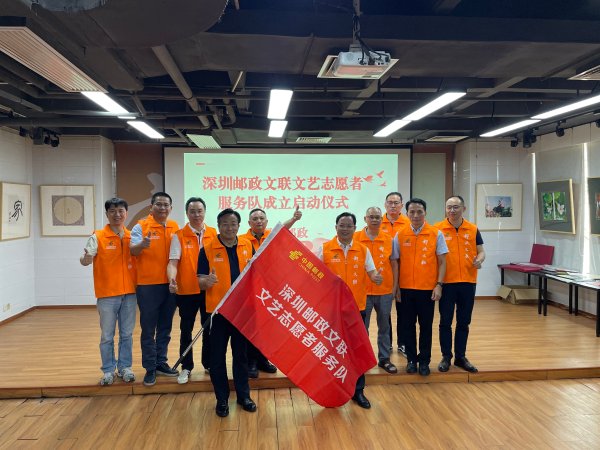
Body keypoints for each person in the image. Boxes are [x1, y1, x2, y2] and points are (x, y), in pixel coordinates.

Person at [317, 212, 384, 409]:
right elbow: (314, 273)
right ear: (335, 227)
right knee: (332, 350)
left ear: (355, 228)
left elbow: (372, 272)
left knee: (356, 350)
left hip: (357, 308)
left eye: (349, 226)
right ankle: (333, 388)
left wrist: (376, 277)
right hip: (332, 309)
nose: (345, 229)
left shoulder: (363, 250)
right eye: (342, 225)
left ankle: (358, 391)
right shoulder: (325, 249)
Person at [198, 208, 256, 418]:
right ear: (218, 226)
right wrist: (207, 281)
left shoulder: (247, 245)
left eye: (233, 224)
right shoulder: (207, 249)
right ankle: (221, 399)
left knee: (241, 356)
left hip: (241, 311)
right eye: (225, 224)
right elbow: (200, 282)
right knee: (217, 358)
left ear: (239, 226)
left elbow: (255, 274)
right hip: (217, 313)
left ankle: (244, 396)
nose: (229, 228)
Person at [80, 198, 137, 385]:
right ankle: (108, 370)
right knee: (107, 336)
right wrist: (86, 259)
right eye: (112, 211)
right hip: (107, 295)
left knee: (127, 334)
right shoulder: (97, 236)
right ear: (107, 214)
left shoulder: (132, 236)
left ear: (126, 213)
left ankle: (125, 367)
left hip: (129, 294)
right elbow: (85, 258)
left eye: (121, 211)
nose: (117, 215)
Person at [242, 206, 302, 378]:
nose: (258, 221)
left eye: (262, 218)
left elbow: (283, 228)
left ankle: (263, 360)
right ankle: (251, 362)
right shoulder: (242, 241)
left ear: (266, 221)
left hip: (269, 290)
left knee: (266, 328)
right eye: (255, 219)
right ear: (249, 222)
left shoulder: (271, 235)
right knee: (251, 327)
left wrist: (294, 219)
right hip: (250, 292)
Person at [130, 192, 180, 386]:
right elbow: (133, 250)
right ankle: (150, 368)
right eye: (158, 204)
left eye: (166, 205)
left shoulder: (175, 227)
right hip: (148, 286)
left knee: (165, 328)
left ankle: (161, 363)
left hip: (170, 284)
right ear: (151, 207)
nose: (162, 208)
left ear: (170, 208)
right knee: (148, 329)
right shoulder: (141, 226)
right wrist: (142, 244)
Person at [167, 197, 217, 384]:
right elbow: (173, 263)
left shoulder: (213, 233)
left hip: (208, 290)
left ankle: (209, 364)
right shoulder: (179, 235)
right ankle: (186, 367)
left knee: (209, 329)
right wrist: (172, 279)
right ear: (187, 213)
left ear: (205, 212)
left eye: (199, 211)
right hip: (186, 292)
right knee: (186, 330)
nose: (196, 215)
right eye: (192, 211)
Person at [396, 198, 448, 377]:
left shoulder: (436, 234)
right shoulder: (400, 235)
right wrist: (396, 287)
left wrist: (439, 285)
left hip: (427, 289)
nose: (416, 215)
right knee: (408, 326)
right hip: (405, 289)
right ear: (407, 213)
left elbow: (442, 262)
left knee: (426, 326)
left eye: (419, 212)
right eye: (412, 212)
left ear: (425, 213)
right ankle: (411, 360)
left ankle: (424, 360)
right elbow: (395, 263)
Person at [434, 195, 485, 373]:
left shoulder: (473, 229)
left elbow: (481, 251)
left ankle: (460, 357)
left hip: (468, 282)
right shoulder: (438, 229)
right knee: (445, 322)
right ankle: (446, 357)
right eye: (449, 207)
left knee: (464, 322)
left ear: (464, 208)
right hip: (447, 282)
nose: (452, 210)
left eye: (456, 207)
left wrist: (479, 260)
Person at [354, 206, 399, 374]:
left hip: (384, 290)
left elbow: (394, 264)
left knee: (384, 326)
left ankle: (384, 359)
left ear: (382, 219)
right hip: (362, 291)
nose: (374, 220)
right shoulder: (355, 237)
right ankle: (362, 360)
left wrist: (394, 288)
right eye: (371, 217)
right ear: (365, 219)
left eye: (377, 217)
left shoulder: (389, 239)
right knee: (361, 329)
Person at [381, 192, 409, 357]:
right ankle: (387, 344)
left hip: (404, 274)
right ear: (385, 204)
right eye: (390, 202)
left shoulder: (408, 223)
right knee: (385, 313)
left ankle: (403, 343)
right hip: (384, 274)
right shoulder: (377, 222)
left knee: (403, 311)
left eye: (396, 203)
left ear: (401, 205)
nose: (393, 206)